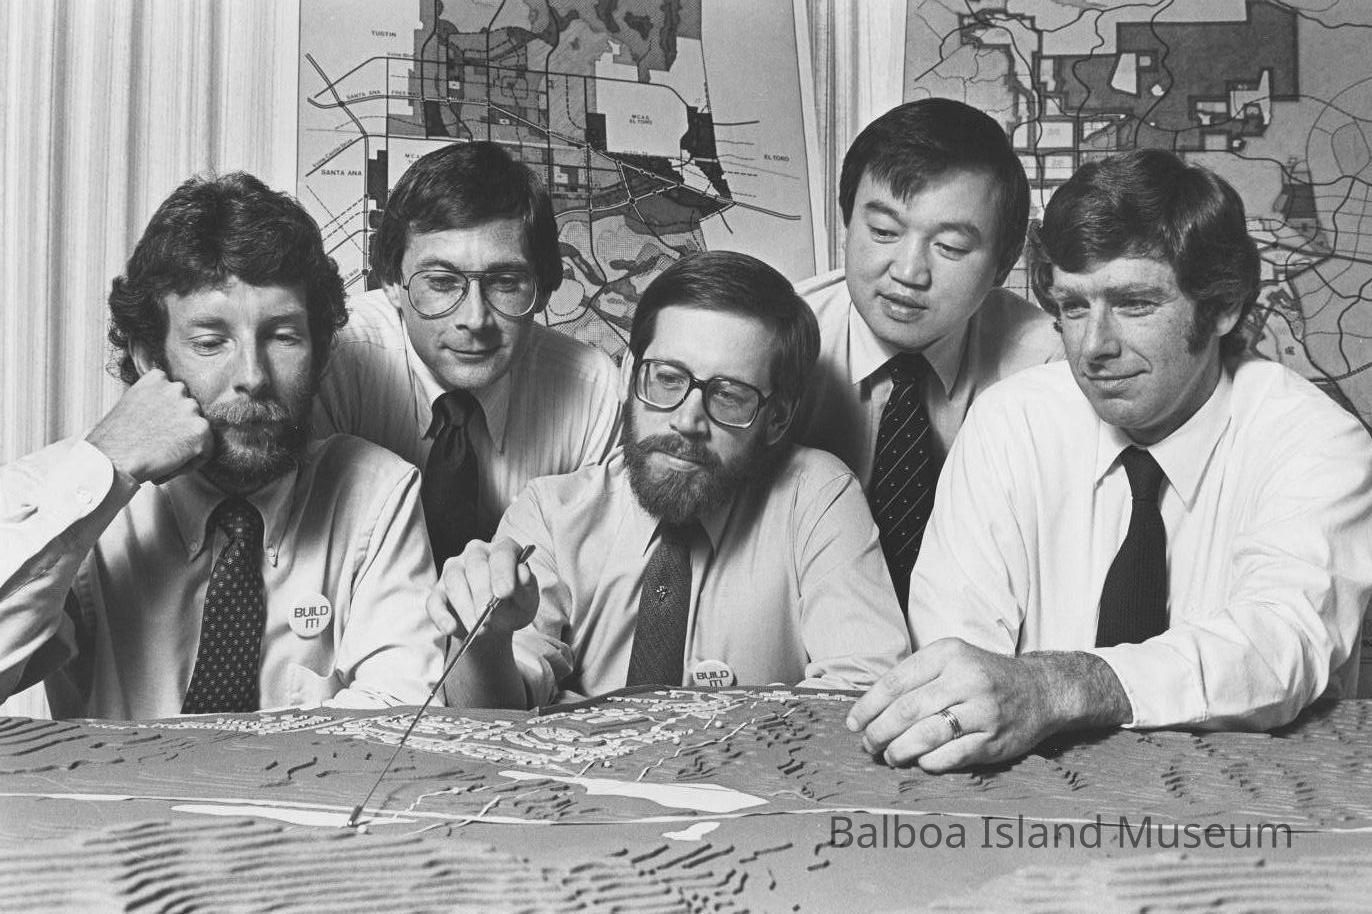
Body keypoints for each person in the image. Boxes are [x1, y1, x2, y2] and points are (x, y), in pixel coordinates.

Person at [848, 149, 1372, 771]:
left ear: (1223, 307)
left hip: (1250, 793)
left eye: (1134, 304)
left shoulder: (1317, 441)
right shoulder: (1012, 421)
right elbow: (959, 663)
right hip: (1034, 793)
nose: (1094, 346)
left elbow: (1280, 646)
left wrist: (1061, 686)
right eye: (1074, 307)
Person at [0, 173, 444, 719]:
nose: (252, 376)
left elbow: (396, 715)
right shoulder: (61, 495)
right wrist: (107, 468)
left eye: (283, 337)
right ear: (150, 360)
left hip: (306, 780)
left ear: (321, 354)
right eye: (211, 343)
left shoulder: (376, 495)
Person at [429, 251, 911, 709]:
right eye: (666, 379)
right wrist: (488, 642)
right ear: (628, 376)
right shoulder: (549, 515)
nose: (687, 421)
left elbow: (861, 690)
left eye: (729, 395)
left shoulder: (817, 495)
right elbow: (492, 713)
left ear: (778, 419)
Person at [796, 98, 1061, 604]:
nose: (908, 272)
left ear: (1005, 264)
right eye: (883, 232)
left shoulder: (1047, 366)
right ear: (846, 222)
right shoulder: (780, 344)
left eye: (951, 248)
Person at [313, 141, 621, 569]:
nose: (475, 319)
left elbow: (592, 573)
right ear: (392, 282)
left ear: (543, 290)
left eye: (505, 282)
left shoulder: (592, 392)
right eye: (442, 282)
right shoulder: (335, 358)